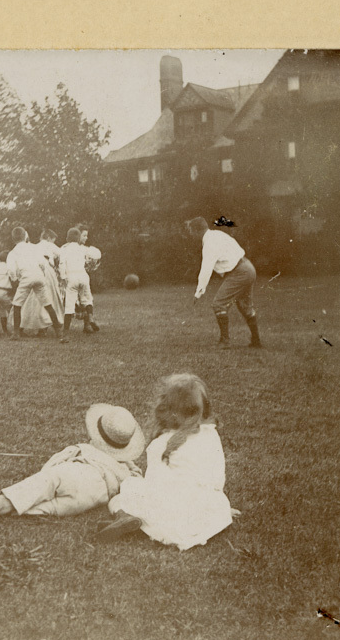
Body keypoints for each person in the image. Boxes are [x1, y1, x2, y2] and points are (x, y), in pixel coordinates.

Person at [0, 404, 146, 533]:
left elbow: (51, 468)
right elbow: (134, 482)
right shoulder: (127, 471)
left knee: (6, 501)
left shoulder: (84, 450)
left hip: (71, 475)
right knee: (16, 508)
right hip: (89, 498)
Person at [96, 373, 239, 550]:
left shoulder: (162, 444)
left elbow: (155, 483)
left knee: (128, 488)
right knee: (211, 504)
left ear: (167, 411)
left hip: (172, 513)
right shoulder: (211, 435)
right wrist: (220, 506)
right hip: (203, 511)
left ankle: (123, 515)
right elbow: (217, 479)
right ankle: (215, 515)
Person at [189, 216, 261, 349]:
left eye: (191, 231)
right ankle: (256, 341)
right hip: (248, 267)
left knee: (219, 304)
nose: (191, 235)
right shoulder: (217, 234)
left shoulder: (209, 243)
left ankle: (225, 341)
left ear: (197, 230)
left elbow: (206, 268)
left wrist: (198, 292)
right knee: (245, 306)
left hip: (239, 271)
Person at [6, 227, 63, 341]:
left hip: (26, 278)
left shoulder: (13, 252)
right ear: (25, 236)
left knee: (17, 305)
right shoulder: (33, 247)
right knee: (47, 304)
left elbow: (11, 270)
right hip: (39, 277)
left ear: (13, 239)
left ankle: (16, 333)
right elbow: (42, 262)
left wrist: (15, 279)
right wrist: (40, 274)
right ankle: (59, 332)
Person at [59, 226, 102, 340]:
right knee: (87, 299)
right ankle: (90, 318)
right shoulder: (83, 249)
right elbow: (96, 254)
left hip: (72, 277)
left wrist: (63, 277)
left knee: (69, 306)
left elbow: (62, 263)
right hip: (83, 276)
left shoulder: (64, 248)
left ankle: (66, 334)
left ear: (67, 238)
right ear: (78, 238)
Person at [21, 229, 65, 338]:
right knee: (49, 297)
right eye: (53, 240)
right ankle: (46, 327)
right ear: (49, 238)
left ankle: (27, 326)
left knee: (34, 298)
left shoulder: (35, 246)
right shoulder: (51, 246)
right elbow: (62, 257)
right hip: (47, 271)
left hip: (35, 270)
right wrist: (63, 275)